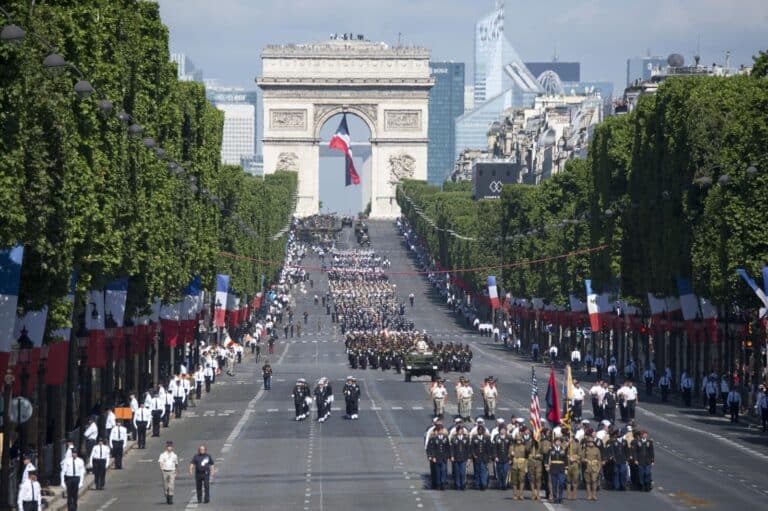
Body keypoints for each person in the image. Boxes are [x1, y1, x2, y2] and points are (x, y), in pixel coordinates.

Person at [426, 424, 450, 490]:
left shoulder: (445, 438)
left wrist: (448, 456)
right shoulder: (434, 438)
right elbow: (432, 448)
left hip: (444, 457)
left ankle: (443, 483)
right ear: (437, 431)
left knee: (443, 470)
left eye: (442, 430)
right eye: (440, 430)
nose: (441, 431)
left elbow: (448, 448)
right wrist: (432, 456)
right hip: (437, 457)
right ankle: (438, 484)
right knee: (438, 471)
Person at [470, 423, 492, 490]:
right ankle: (477, 484)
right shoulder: (474, 437)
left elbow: (488, 448)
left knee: (483, 471)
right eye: (479, 430)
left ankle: (483, 484)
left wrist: (489, 457)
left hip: (484, 457)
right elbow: (472, 447)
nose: (480, 431)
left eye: (481, 430)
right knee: (477, 471)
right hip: (477, 457)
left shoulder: (487, 438)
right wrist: (474, 455)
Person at [546, 437, 567, 504]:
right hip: (553, 468)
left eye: (559, 441)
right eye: (557, 441)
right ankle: (555, 497)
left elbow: (565, 460)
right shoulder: (551, 450)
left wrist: (566, 468)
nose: (558, 443)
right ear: (554, 443)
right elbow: (547, 458)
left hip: (561, 468)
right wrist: (547, 466)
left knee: (561, 483)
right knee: (554, 484)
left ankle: (560, 497)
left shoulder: (563, 450)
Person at [450, 425, 470, 490]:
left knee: (462, 472)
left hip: (463, 458)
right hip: (456, 457)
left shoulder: (466, 439)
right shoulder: (454, 438)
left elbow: (468, 449)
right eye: (459, 430)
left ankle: (463, 484)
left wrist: (469, 458)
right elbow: (452, 448)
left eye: (462, 430)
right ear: (457, 431)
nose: (460, 431)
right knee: (457, 472)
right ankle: (457, 485)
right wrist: (452, 456)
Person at [583, 436, 603, 501]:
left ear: (593, 442)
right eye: (589, 442)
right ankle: (589, 495)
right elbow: (582, 458)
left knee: (594, 481)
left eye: (591, 442)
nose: (590, 443)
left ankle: (594, 495)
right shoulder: (585, 449)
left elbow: (599, 459)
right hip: (587, 467)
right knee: (588, 482)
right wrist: (585, 460)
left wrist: (599, 468)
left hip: (595, 467)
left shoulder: (597, 449)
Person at [492, 427, 511, 491]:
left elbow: (510, 448)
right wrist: (495, 456)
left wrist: (510, 457)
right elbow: (494, 448)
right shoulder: (496, 437)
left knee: (505, 471)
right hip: (499, 458)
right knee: (500, 472)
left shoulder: (509, 437)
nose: (502, 431)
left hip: (506, 458)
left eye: (504, 430)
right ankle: (500, 484)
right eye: (501, 430)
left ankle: (505, 485)